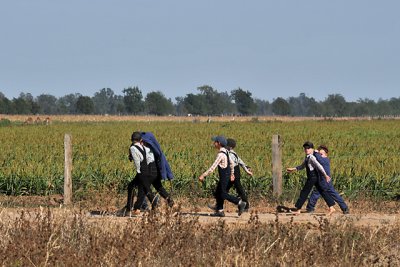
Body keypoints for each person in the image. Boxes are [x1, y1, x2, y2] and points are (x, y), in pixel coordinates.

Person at [199, 135, 247, 217]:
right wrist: (232, 174)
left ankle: (240, 202)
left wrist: (203, 175)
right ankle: (220, 211)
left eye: (215, 142)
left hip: (224, 176)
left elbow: (212, 167)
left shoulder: (221, 154)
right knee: (218, 192)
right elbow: (232, 163)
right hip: (227, 175)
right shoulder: (227, 151)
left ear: (219, 143)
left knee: (223, 194)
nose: (214, 143)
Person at [286, 141, 336, 215]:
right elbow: (302, 166)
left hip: (312, 177)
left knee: (304, 192)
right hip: (314, 177)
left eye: (308, 148)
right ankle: (332, 208)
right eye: (305, 148)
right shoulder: (307, 157)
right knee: (322, 191)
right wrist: (293, 169)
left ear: (312, 149)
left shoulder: (312, 157)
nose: (306, 149)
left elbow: (319, 166)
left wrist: (325, 175)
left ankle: (298, 209)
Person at [117, 131, 158, 217]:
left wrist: (139, 173)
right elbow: (146, 158)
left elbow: (137, 161)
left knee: (142, 188)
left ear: (132, 139)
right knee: (141, 188)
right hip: (147, 171)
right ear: (140, 140)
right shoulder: (144, 147)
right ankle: (152, 208)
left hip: (142, 172)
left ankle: (131, 209)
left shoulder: (133, 148)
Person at [208, 138, 253, 212]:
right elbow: (240, 161)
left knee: (224, 191)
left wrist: (245, 169)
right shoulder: (233, 153)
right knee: (236, 189)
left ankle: (242, 205)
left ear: (230, 147)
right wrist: (246, 169)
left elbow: (234, 163)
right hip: (235, 172)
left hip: (231, 173)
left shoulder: (229, 154)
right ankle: (220, 207)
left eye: (226, 145)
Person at [306, 145, 349, 214]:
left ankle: (310, 208)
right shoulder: (321, 160)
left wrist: (315, 153)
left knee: (316, 193)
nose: (319, 155)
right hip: (325, 180)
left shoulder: (325, 160)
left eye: (321, 154)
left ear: (326, 155)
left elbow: (319, 159)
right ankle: (344, 208)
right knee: (333, 194)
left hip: (324, 180)